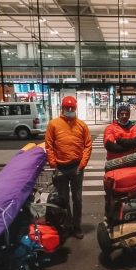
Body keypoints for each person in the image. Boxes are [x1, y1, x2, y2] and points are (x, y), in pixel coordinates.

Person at [45, 96, 92, 239]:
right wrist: (54, 165)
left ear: (76, 109)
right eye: (67, 108)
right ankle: (68, 225)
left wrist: (82, 164)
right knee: (63, 199)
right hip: (60, 168)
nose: (70, 110)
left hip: (77, 167)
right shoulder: (53, 124)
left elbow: (88, 145)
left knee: (77, 199)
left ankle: (77, 227)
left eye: (72, 108)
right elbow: (49, 145)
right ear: (62, 108)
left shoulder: (82, 125)